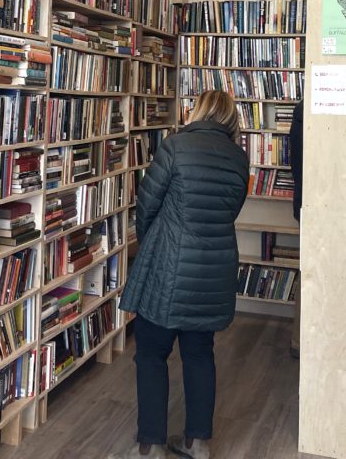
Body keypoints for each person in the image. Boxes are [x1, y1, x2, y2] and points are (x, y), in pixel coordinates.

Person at [110, 91, 250, 459]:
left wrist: (154, 243)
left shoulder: (175, 148)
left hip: (168, 267)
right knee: (201, 353)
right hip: (216, 267)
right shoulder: (239, 158)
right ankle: (198, 443)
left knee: (152, 352)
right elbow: (230, 210)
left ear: (198, 110)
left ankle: (151, 445)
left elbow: (147, 205)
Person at [288, 99, 304, 357]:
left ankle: (299, 341)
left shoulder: (302, 108)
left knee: (309, 270)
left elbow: (295, 161)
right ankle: (300, 342)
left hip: (306, 201)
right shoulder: (306, 109)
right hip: (314, 203)